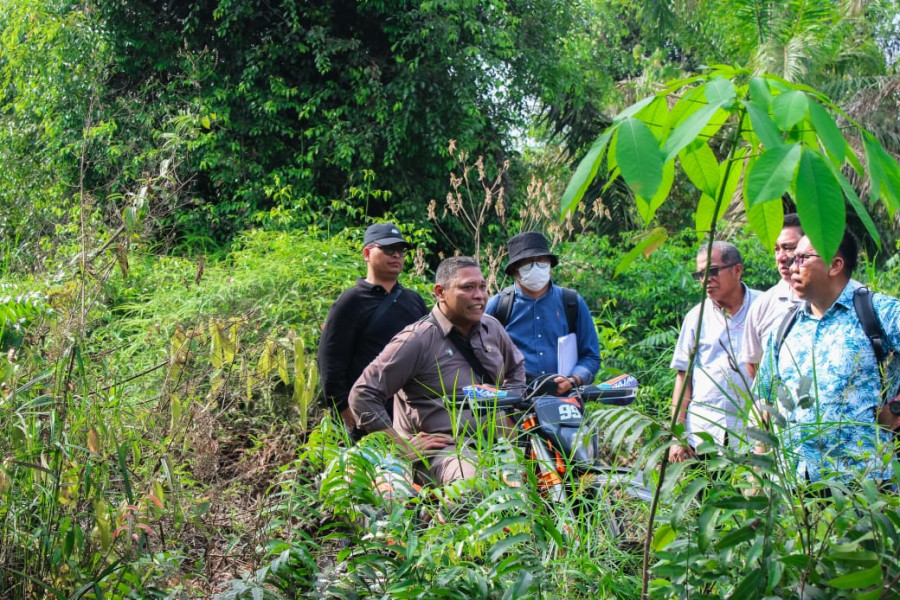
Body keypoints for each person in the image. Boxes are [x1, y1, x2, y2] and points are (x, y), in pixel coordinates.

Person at [349, 256, 525, 484]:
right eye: (468, 287)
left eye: (482, 286)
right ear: (440, 292)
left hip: (498, 441)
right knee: (474, 485)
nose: (480, 295)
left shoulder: (491, 327)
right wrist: (400, 446)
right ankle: (437, 517)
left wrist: (510, 414)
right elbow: (363, 394)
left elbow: (516, 370)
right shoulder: (417, 340)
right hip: (446, 451)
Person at [756, 231, 900, 483]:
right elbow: (763, 401)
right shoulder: (785, 327)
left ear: (835, 265)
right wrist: (757, 479)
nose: (791, 266)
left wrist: (897, 406)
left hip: (865, 485)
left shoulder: (878, 311)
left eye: (802, 258)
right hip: (797, 491)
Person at [317, 223, 427, 437]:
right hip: (365, 413)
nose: (396, 255)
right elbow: (330, 360)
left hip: (410, 413)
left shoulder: (413, 300)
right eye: (388, 249)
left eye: (400, 250)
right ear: (367, 253)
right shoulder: (350, 302)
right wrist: (342, 408)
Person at [669, 241, 761, 462]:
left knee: (753, 495)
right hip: (703, 435)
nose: (706, 280)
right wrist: (676, 437)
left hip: (755, 434)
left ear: (737, 270)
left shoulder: (764, 306)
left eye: (712, 271)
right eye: (700, 274)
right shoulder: (696, 317)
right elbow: (684, 378)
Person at [485, 231, 600, 395]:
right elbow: (480, 355)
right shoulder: (499, 305)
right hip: (514, 403)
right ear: (515, 270)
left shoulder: (571, 302)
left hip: (565, 400)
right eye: (527, 264)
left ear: (549, 264)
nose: (536, 268)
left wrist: (573, 380)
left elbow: (591, 356)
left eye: (541, 261)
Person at [740, 214, 803, 379]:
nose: (781, 257)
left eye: (789, 247)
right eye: (776, 249)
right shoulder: (763, 305)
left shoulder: (849, 297)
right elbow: (753, 364)